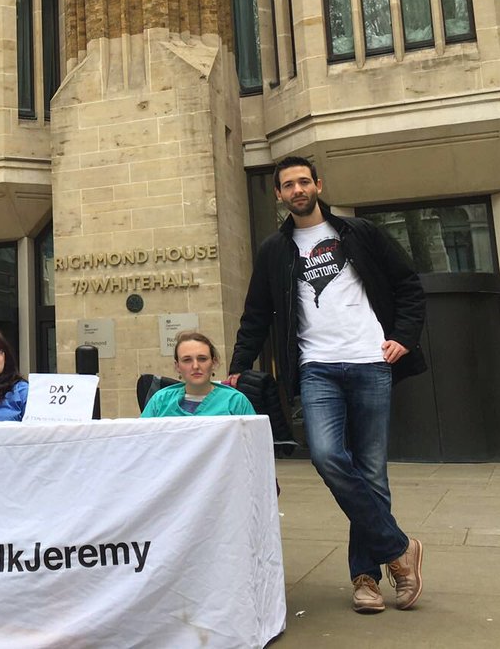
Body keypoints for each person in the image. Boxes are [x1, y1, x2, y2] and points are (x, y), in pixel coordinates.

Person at [229, 156, 427, 614]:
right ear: (278, 195)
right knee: (325, 455)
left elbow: (408, 286)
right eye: (287, 185)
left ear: (317, 185)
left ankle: (367, 579)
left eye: (303, 181)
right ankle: (399, 549)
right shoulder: (274, 251)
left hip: (369, 362)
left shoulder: (360, 233)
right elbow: (256, 314)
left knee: (371, 471)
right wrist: (239, 365)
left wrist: (402, 337)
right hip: (316, 366)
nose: (297, 189)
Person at [141, 331, 254, 417]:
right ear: (177, 366)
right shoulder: (160, 401)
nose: (195, 366)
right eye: (187, 360)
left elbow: (255, 443)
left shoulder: (236, 402)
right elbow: (140, 441)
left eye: (202, 359)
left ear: (213, 363)